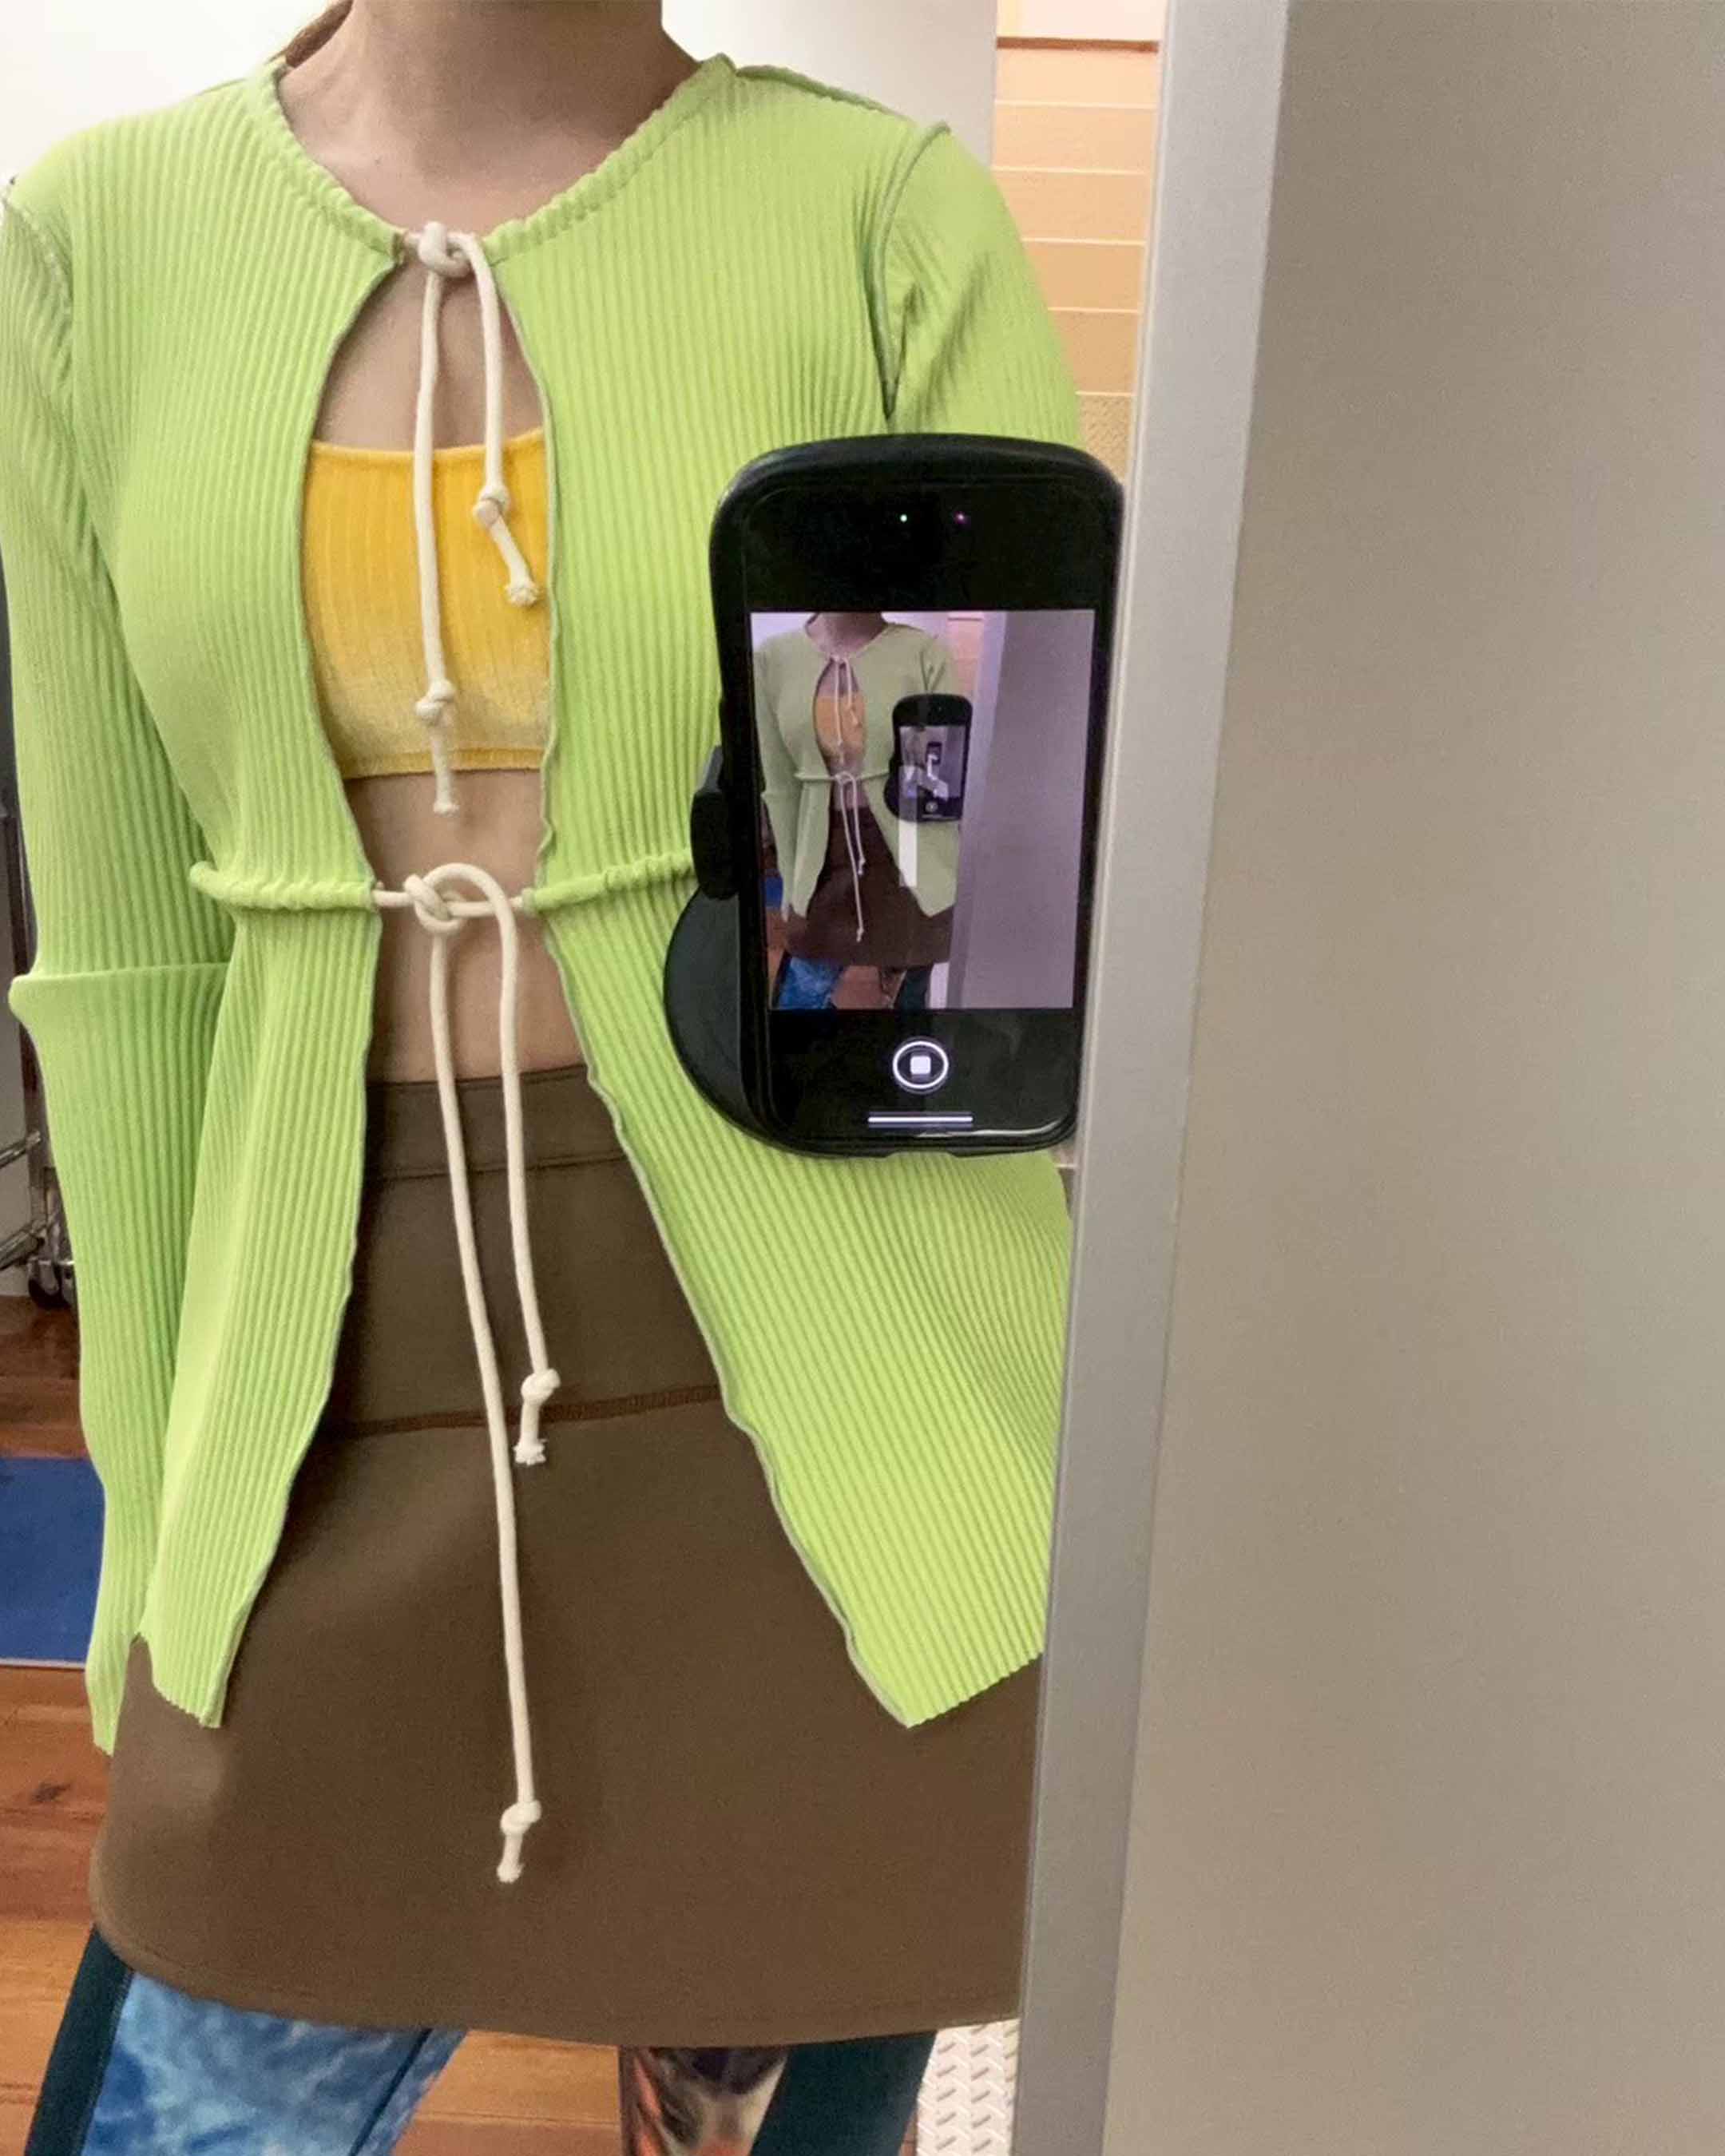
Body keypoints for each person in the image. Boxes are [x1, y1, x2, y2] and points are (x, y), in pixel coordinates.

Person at [0, 3, 1083, 2150]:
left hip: (846, 1394)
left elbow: (958, 940)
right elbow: (124, 973)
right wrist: (149, 1518)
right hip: (323, 1363)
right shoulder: (86, 249)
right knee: (181, 2091)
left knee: (796, 2073)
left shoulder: (880, 221)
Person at [756, 614, 961, 1013]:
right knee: (803, 991)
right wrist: (792, 880)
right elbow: (780, 787)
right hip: (821, 852)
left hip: (907, 853)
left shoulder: (925, 653)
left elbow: (941, 786)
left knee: (911, 995)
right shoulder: (772, 659)